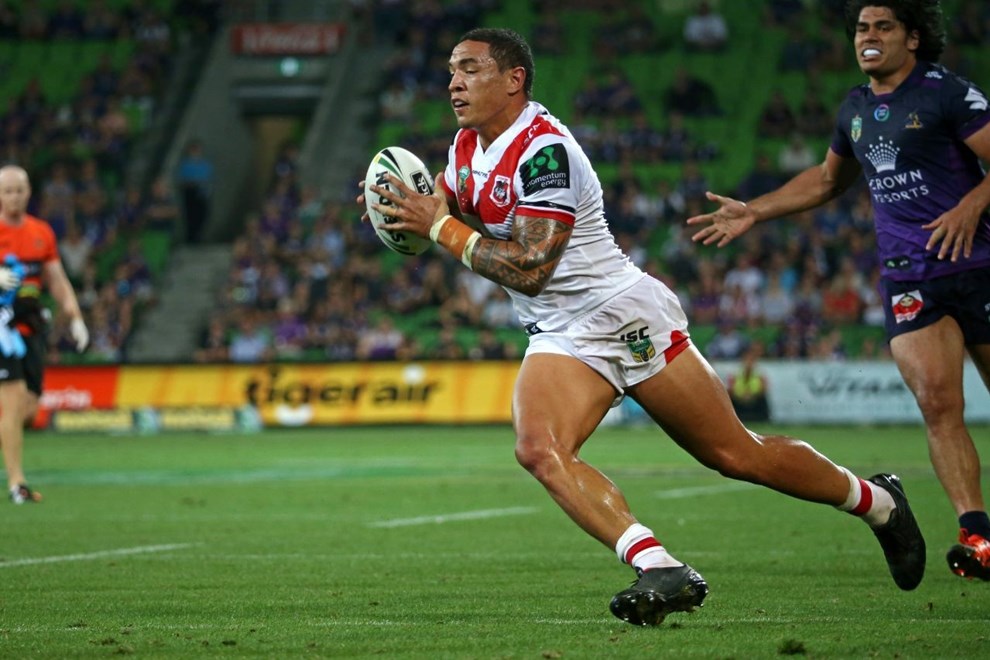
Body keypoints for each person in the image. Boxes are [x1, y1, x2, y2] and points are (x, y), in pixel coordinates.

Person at [359, 27, 926, 626]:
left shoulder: (546, 151)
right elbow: (451, 203)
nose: (454, 82)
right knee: (539, 448)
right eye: (452, 70)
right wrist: (398, 206)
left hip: (622, 313)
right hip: (559, 331)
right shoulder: (466, 146)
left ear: (513, 80)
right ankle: (659, 566)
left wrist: (438, 227)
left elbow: (529, 267)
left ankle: (878, 502)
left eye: (470, 69)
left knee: (737, 454)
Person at [688, 0, 990, 582]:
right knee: (937, 403)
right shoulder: (855, 108)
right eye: (861, 28)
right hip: (908, 275)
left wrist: (971, 205)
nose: (868, 37)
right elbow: (828, 180)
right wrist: (755, 210)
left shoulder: (948, 94)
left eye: (883, 27)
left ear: (913, 37)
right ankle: (977, 535)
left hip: (976, 263)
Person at [0, 165, 89, 504]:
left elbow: (57, 278)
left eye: (19, 190)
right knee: (12, 399)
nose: (14, 197)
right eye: (8, 191)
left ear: (29, 193)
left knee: (29, 408)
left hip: (32, 326)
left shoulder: (41, 233)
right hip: (2, 328)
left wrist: (75, 316)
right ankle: (17, 484)